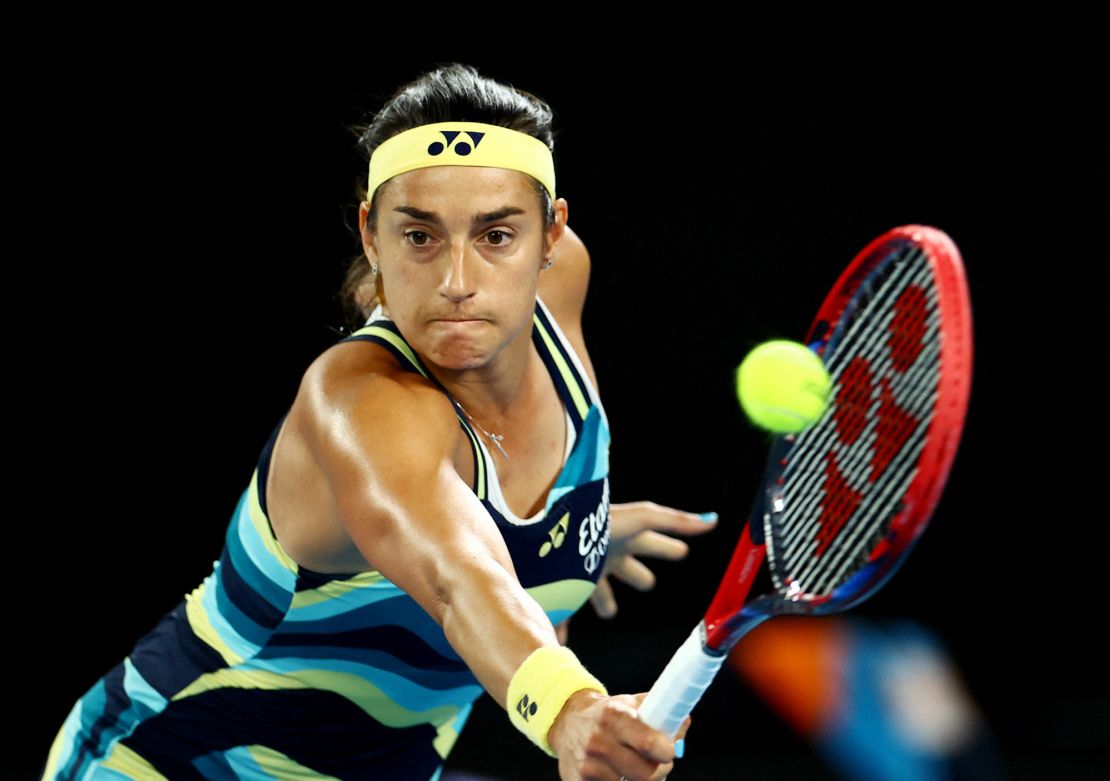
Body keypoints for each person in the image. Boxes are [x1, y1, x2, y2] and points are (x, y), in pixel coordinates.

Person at [43, 63, 718, 781]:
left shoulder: (563, 286)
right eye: (420, 236)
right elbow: (459, 580)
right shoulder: (360, 398)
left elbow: (490, 547)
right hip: (175, 761)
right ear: (371, 233)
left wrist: (567, 541)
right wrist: (571, 708)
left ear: (552, 233)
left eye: (497, 234)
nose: (458, 280)